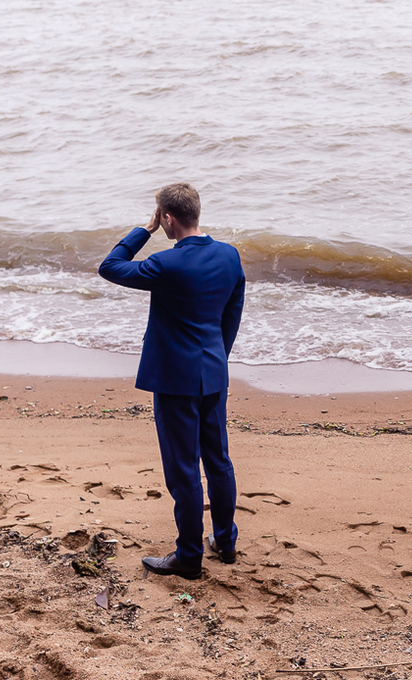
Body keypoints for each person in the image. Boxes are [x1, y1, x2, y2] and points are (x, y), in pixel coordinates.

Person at [99, 182, 246, 580]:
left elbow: (110, 266)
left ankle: (189, 557)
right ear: (196, 212)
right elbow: (232, 312)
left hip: (174, 381)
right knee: (218, 461)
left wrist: (142, 231)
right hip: (213, 373)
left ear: (167, 217)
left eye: (159, 217)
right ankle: (226, 541)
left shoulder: (165, 264)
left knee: (183, 470)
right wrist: (217, 357)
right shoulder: (229, 256)